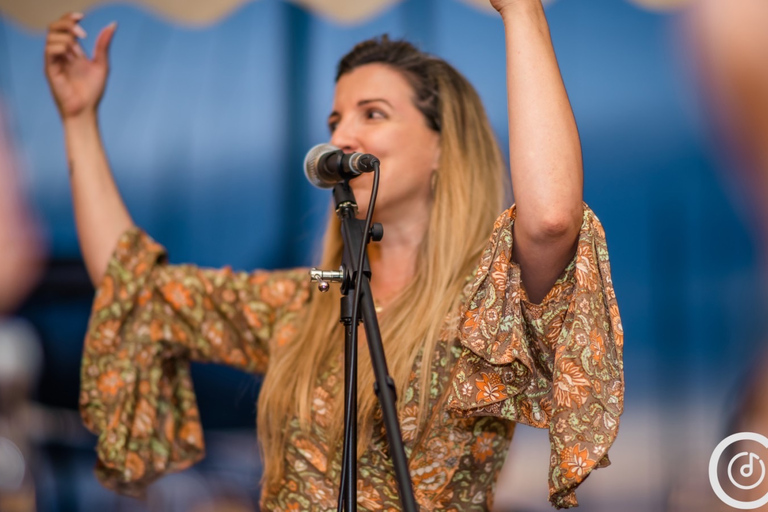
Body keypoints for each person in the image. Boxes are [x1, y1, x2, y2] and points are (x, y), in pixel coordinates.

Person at [44, 0, 624, 509]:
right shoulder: (306, 303)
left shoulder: (486, 307)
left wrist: (522, 9)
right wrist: (77, 120)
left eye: (372, 114)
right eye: (334, 120)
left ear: (443, 147)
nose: (341, 136)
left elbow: (550, 220)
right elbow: (134, 285)